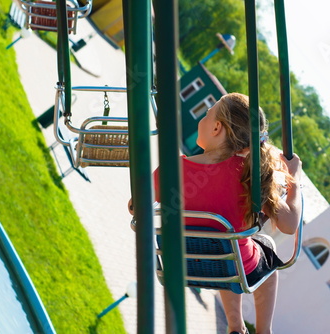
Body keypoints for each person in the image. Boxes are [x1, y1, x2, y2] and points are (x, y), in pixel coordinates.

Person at [129, 93, 302, 334]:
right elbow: (290, 224)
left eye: (206, 114)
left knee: (225, 246)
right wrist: (295, 181)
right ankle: (264, 331)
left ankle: (235, 326)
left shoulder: (172, 168)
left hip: (179, 261)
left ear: (217, 128)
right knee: (261, 250)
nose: (202, 119)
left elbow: (135, 206)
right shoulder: (249, 178)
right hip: (232, 268)